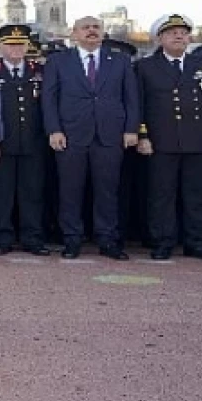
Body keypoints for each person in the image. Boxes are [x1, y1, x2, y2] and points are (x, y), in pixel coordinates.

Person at [42, 16, 140, 260]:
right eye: (86, 28)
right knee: (70, 190)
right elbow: (49, 99)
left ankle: (107, 239)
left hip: (110, 135)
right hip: (70, 135)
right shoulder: (58, 61)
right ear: (74, 33)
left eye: (96, 27)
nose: (92, 31)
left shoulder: (120, 61)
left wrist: (131, 129)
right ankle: (72, 239)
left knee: (108, 190)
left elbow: (131, 98)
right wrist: (53, 129)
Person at [135, 14, 202, 261]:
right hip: (161, 142)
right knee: (161, 195)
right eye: (172, 33)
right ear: (160, 39)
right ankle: (162, 241)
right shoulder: (145, 67)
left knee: (197, 195)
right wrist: (142, 135)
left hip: (198, 141)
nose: (179, 36)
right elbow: (139, 105)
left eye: (183, 33)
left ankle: (196, 241)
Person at [0, 25, 50, 256]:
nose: (15, 49)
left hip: (33, 143)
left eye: (20, 44)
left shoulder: (39, 71)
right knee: (1, 194)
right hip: (1, 143)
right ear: (0, 47)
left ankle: (32, 237)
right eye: (10, 45)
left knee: (32, 192)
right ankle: (1, 237)